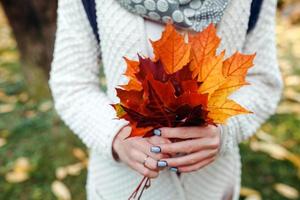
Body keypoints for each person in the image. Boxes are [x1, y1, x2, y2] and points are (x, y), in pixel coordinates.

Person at [49, 0, 283, 199]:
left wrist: (226, 131)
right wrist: (116, 136)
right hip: (119, 185)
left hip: (213, 186)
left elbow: (264, 81)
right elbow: (71, 84)